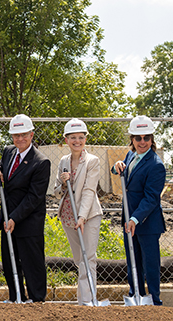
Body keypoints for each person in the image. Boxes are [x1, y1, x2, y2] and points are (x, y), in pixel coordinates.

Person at [0, 114, 50, 303]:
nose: (20, 139)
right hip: (7, 218)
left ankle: (36, 299)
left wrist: (14, 218)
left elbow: (34, 197)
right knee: (10, 262)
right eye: (16, 135)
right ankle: (16, 297)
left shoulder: (41, 162)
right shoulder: (9, 151)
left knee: (32, 263)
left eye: (24, 134)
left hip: (28, 221)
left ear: (31, 134)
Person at [111, 115, 166, 306]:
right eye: (138, 138)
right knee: (133, 261)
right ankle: (136, 295)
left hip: (146, 222)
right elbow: (120, 171)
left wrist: (135, 218)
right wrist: (116, 166)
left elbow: (151, 198)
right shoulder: (131, 156)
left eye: (146, 138)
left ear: (152, 139)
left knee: (150, 264)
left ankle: (154, 300)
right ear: (132, 139)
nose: (142, 142)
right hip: (130, 220)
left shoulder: (156, 165)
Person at [53, 118, 103, 306]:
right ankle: (84, 299)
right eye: (73, 137)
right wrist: (63, 183)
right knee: (78, 259)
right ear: (66, 140)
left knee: (88, 258)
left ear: (85, 139)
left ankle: (87, 301)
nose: (77, 141)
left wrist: (82, 217)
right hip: (68, 215)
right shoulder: (64, 161)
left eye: (81, 137)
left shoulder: (92, 161)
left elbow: (89, 190)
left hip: (88, 216)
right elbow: (57, 191)